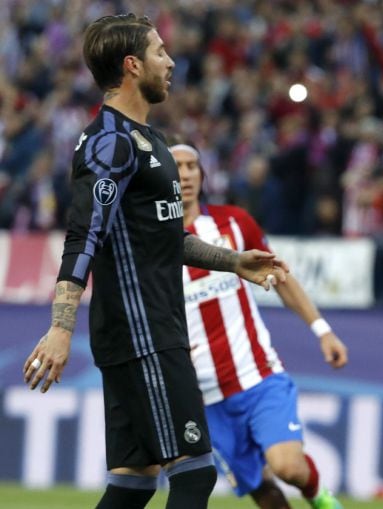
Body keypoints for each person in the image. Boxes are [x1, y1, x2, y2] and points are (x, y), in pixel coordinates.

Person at [21, 14, 287, 509]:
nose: (171, 61)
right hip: (141, 333)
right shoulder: (109, 142)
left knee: (132, 484)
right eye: (160, 51)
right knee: (194, 474)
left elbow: (166, 238)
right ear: (131, 65)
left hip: (151, 329)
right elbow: (85, 234)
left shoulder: (152, 142)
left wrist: (233, 261)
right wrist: (61, 327)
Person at [170, 138, 348, 509]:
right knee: (264, 494)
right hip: (204, 399)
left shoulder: (234, 223)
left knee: (288, 468)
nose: (185, 175)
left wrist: (322, 330)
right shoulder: (151, 242)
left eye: (191, 166)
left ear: (203, 175)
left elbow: (279, 276)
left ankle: (320, 497)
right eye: (176, 168)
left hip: (257, 377)